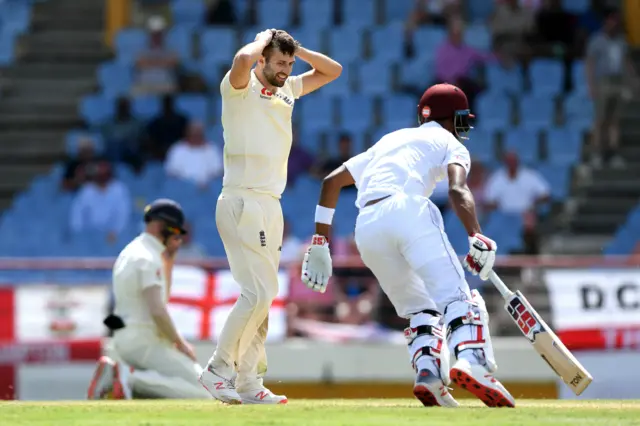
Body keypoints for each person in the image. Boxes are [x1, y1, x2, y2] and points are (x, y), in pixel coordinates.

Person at [300, 84, 515, 408]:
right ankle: (473, 362)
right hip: (408, 210)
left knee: (421, 308)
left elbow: (331, 182)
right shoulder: (449, 143)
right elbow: (458, 190)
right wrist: (476, 236)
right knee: (457, 297)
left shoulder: (391, 140)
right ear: (456, 119)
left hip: (367, 226)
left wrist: (320, 242)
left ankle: (428, 374)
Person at [198, 29, 342, 404]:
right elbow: (242, 61)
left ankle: (248, 383)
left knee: (267, 294)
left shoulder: (289, 88)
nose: (286, 69)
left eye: (289, 63)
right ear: (264, 57)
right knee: (258, 293)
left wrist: (299, 50)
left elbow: (333, 71)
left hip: (270, 203)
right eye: (280, 62)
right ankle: (217, 369)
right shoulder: (238, 88)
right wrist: (263, 40)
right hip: (242, 200)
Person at [87, 199, 211, 400]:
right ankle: (130, 379)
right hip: (144, 342)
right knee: (207, 391)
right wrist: (180, 343)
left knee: (161, 394)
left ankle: (126, 378)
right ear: (164, 227)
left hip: (123, 341)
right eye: (176, 232)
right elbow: (157, 310)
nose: (177, 238)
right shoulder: (148, 258)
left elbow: (160, 300)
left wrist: (169, 259)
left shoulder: (130, 252)